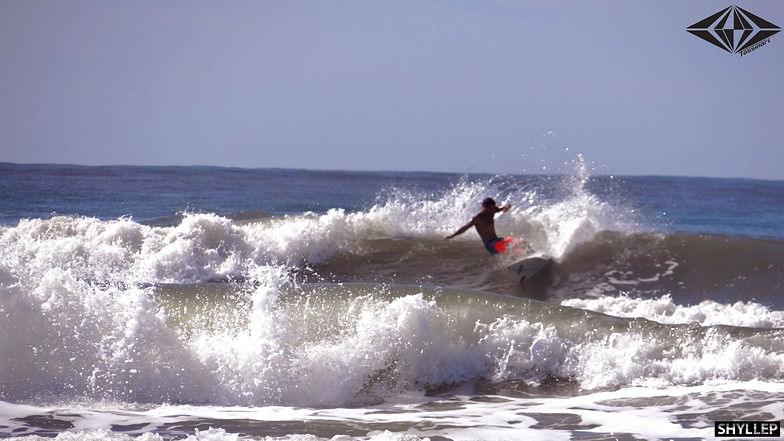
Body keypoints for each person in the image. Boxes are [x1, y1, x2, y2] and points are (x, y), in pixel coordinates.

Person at [444, 197, 513, 254]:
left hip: (497, 240)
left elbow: (505, 206)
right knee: (504, 246)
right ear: (483, 206)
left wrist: (507, 207)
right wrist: (452, 235)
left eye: (492, 209)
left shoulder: (492, 210)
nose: (490, 211)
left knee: (516, 242)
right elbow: (464, 228)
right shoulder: (477, 219)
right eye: (489, 209)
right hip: (490, 245)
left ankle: (519, 259)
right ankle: (514, 260)